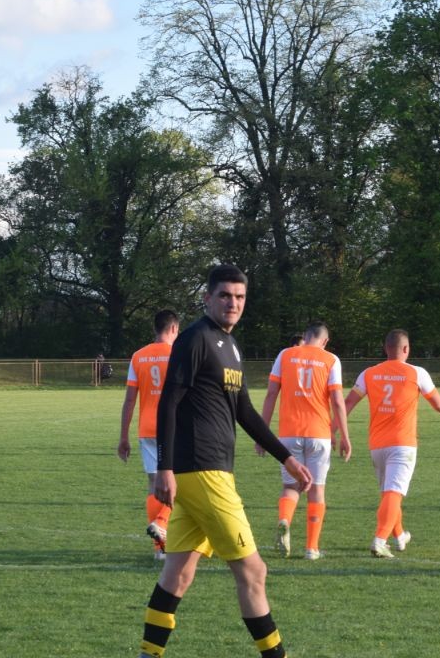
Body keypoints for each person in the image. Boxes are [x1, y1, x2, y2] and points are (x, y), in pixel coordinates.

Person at [136, 264, 313, 658]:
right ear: (207, 298)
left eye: (239, 297)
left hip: (210, 472)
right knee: (254, 571)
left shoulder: (231, 346)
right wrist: (164, 467)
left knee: (178, 574)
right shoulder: (195, 338)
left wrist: (286, 458)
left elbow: (244, 411)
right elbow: (169, 402)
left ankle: (148, 654)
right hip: (202, 471)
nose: (233, 303)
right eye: (225, 296)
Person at [344, 329, 440, 558]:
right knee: (393, 493)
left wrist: (333, 430)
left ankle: (400, 535)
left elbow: (347, 404)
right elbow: (438, 404)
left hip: (377, 445)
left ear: (385, 348)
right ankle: (379, 540)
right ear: (406, 349)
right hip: (403, 444)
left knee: (389, 494)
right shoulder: (417, 372)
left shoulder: (369, 373)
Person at [256, 321, 351, 560]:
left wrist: (262, 434)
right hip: (319, 433)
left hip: (288, 435)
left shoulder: (285, 355)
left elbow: (271, 394)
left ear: (305, 336)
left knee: (291, 486)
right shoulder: (331, 359)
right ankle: (311, 548)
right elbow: (337, 401)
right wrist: (344, 436)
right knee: (316, 490)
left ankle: (284, 520)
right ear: (325, 341)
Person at [118, 309, 181, 560]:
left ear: (155, 328)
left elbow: (129, 400)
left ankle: (160, 549)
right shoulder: (178, 354)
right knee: (179, 482)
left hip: (147, 429)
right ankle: (162, 522)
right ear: (174, 329)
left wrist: (123, 437)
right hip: (174, 428)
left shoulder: (138, 356)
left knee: (154, 484)